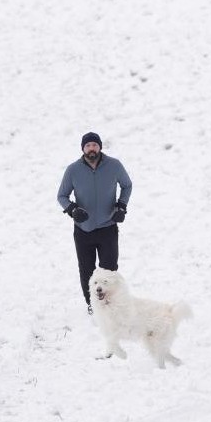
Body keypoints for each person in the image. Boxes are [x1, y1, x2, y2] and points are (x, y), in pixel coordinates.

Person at [57, 132, 132, 314]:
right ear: (83, 148)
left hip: (108, 228)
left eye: (94, 145)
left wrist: (121, 206)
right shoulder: (73, 170)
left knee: (110, 270)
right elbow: (62, 196)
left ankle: (111, 303)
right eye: (88, 145)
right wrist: (73, 210)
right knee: (87, 270)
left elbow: (127, 185)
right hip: (83, 230)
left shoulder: (114, 165)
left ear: (100, 147)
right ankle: (92, 305)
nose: (92, 148)